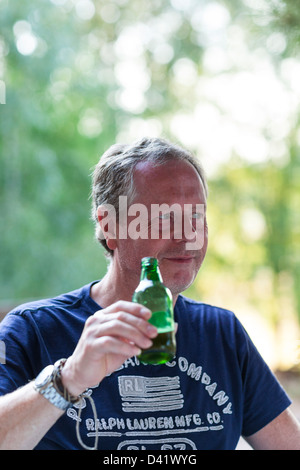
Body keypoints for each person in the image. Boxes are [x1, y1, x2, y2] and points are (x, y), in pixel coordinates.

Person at [0, 137, 299, 450]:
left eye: (195, 216)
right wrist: (68, 379)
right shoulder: (33, 330)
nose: (187, 235)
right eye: (163, 217)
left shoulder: (221, 332)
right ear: (110, 226)